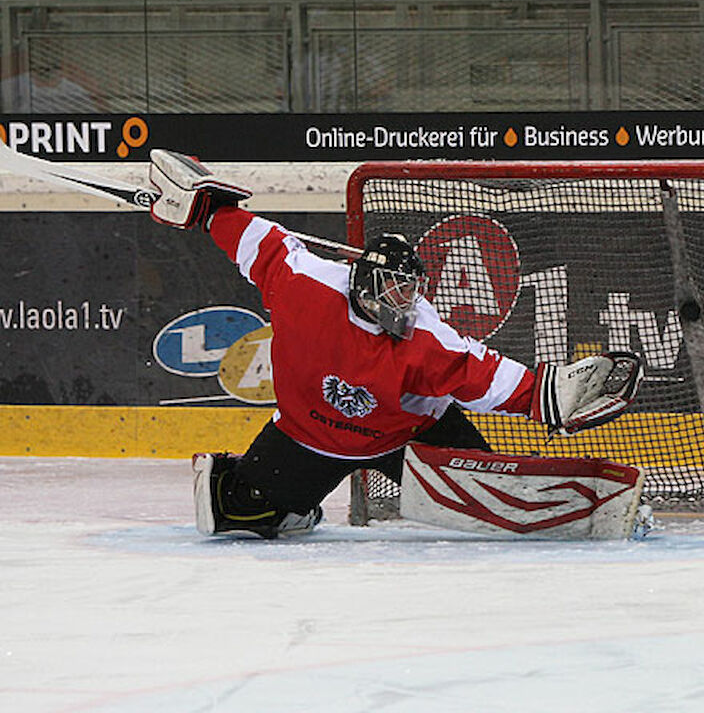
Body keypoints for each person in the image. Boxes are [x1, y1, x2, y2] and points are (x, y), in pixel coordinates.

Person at [146, 150, 642, 539]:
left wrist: (547, 398)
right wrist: (205, 209)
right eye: (393, 289)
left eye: (410, 289)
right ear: (363, 284)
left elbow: (483, 375)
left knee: (497, 503)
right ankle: (289, 498)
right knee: (235, 511)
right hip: (307, 438)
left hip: (407, 440)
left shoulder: (423, 335)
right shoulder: (306, 285)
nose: (403, 301)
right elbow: (255, 239)